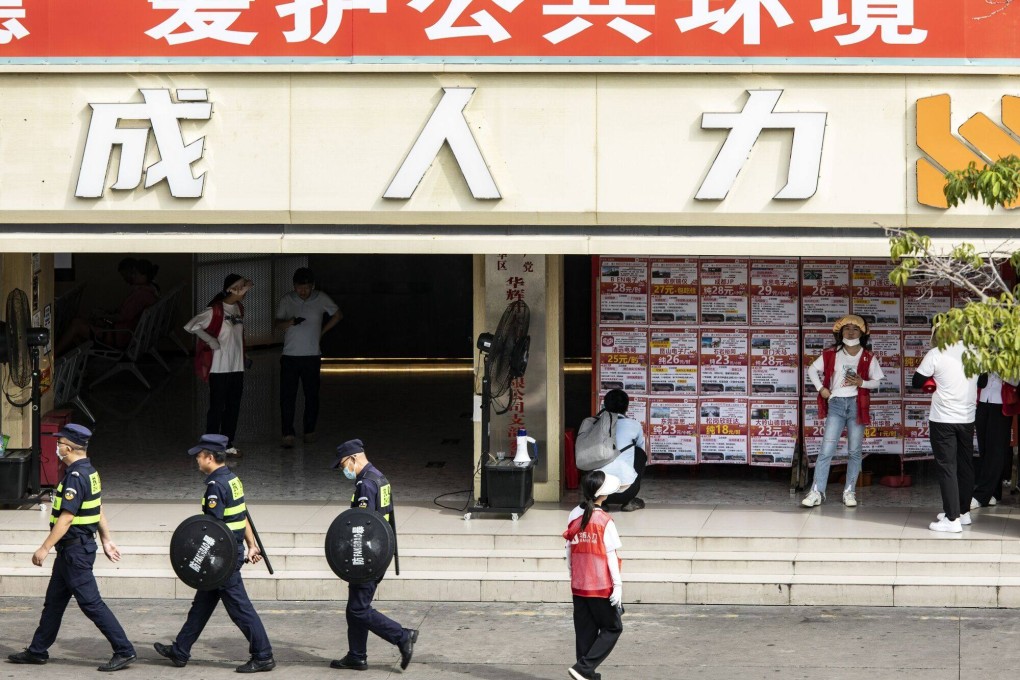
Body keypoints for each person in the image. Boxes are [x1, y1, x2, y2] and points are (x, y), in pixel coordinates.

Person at [7, 424, 137, 672]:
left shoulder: (75, 477)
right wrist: (107, 539)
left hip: (75, 551)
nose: (57, 447)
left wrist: (44, 548)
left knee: (91, 603)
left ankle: (124, 650)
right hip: (72, 551)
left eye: (59, 444)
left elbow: (66, 518)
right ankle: (37, 650)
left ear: (67, 447)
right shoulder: (91, 473)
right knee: (54, 602)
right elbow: (97, 509)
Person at [154, 434, 275, 673]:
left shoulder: (215, 486)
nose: (197, 460)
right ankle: (181, 650)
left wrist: (200, 559)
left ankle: (263, 655)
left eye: (199, 456)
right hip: (229, 552)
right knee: (201, 605)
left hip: (222, 558)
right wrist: (251, 545)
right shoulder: (232, 479)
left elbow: (211, 530)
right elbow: (242, 515)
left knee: (240, 609)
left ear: (210, 458)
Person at [329, 439, 418, 671]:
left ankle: (402, 636)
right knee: (355, 608)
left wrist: (354, 559)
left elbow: (362, 525)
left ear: (354, 458)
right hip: (379, 552)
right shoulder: (379, 477)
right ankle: (356, 655)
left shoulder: (366, 485)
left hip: (367, 556)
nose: (342, 470)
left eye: (342, 465)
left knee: (359, 609)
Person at [801, 314, 885, 508]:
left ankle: (849, 491)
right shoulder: (831, 353)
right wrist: (822, 389)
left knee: (854, 451)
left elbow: (877, 382)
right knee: (826, 450)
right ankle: (816, 492)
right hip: (837, 403)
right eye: (846, 328)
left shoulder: (868, 356)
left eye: (855, 328)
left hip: (857, 404)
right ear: (840, 331)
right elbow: (812, 370)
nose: (850, 331)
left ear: (862, 332)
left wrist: (861, 382)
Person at [913, 340, 980, 532]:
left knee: (947, 467)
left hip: (943, 419)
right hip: (967, 418)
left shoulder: (936, 353)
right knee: (965, 464)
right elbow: (982, 381)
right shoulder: (977, 352)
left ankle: (952, 519)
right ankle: (963, 513)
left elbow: (916, 381)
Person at [563, 470, 624, 680]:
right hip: (600, 585)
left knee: (585, 631)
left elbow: (568, 549)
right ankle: (584, 668)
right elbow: (611, 556)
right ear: (603, 494)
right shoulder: (605, 521)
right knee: (613, 627)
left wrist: (572, 573)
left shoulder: (573, 514)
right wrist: (618, 586)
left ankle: (585, 673)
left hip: (579, 584)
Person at [185, 274, 253, 457]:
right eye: (238, 286)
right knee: (217, 407)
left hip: (236, 367)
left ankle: (228, 442)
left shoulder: (239, 308)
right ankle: (211, 445)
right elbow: (191, 325)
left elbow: (238, 336)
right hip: (219, 367)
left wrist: (244, 354)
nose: (243, 290)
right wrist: (210, 340)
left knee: (233, 406)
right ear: (230, 289)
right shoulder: (215, 309)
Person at [274, 267, 341, 448]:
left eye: (306, 287)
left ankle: (309, 430)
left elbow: (337, 314)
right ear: (294, 286)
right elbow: (277, 323)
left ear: (312, 286)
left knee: (311, 395)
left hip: (312, 355)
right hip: (290, 355)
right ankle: (287, 433)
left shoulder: (321, 298)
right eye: (299, 287)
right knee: (288, 396)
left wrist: (322, 332)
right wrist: (290, 323)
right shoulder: (287, 299)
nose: (302, 291)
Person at [55, 257, 159, 355]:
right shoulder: (149, 292)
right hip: (123, 333)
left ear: (144, 276)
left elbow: (121, 317)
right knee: (77, 321)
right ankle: (74, 359)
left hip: (119, 336)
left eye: (135, 274)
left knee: (76, 325)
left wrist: (103, 316)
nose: (132, 276)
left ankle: (54, 355)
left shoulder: (140, 295)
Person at [972, 372, 1019, 509]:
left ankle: (981, 496)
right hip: (983, 401)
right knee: (984, 449)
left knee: (996, 450)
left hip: (1001, 404)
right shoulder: (984, 352)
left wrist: (997, 369)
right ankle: (994, 493)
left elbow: (1016, 380)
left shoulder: (1012, 353)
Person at [595, 389, 646, 512]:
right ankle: (629, 501)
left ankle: (598, 503)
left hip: (595, 489)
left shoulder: (594, 424)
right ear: (626, 407)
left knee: (587, 454)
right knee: (639, 453)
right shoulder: (634, 425)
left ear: (605, 406)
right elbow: (642, 452)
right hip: (627, 492)